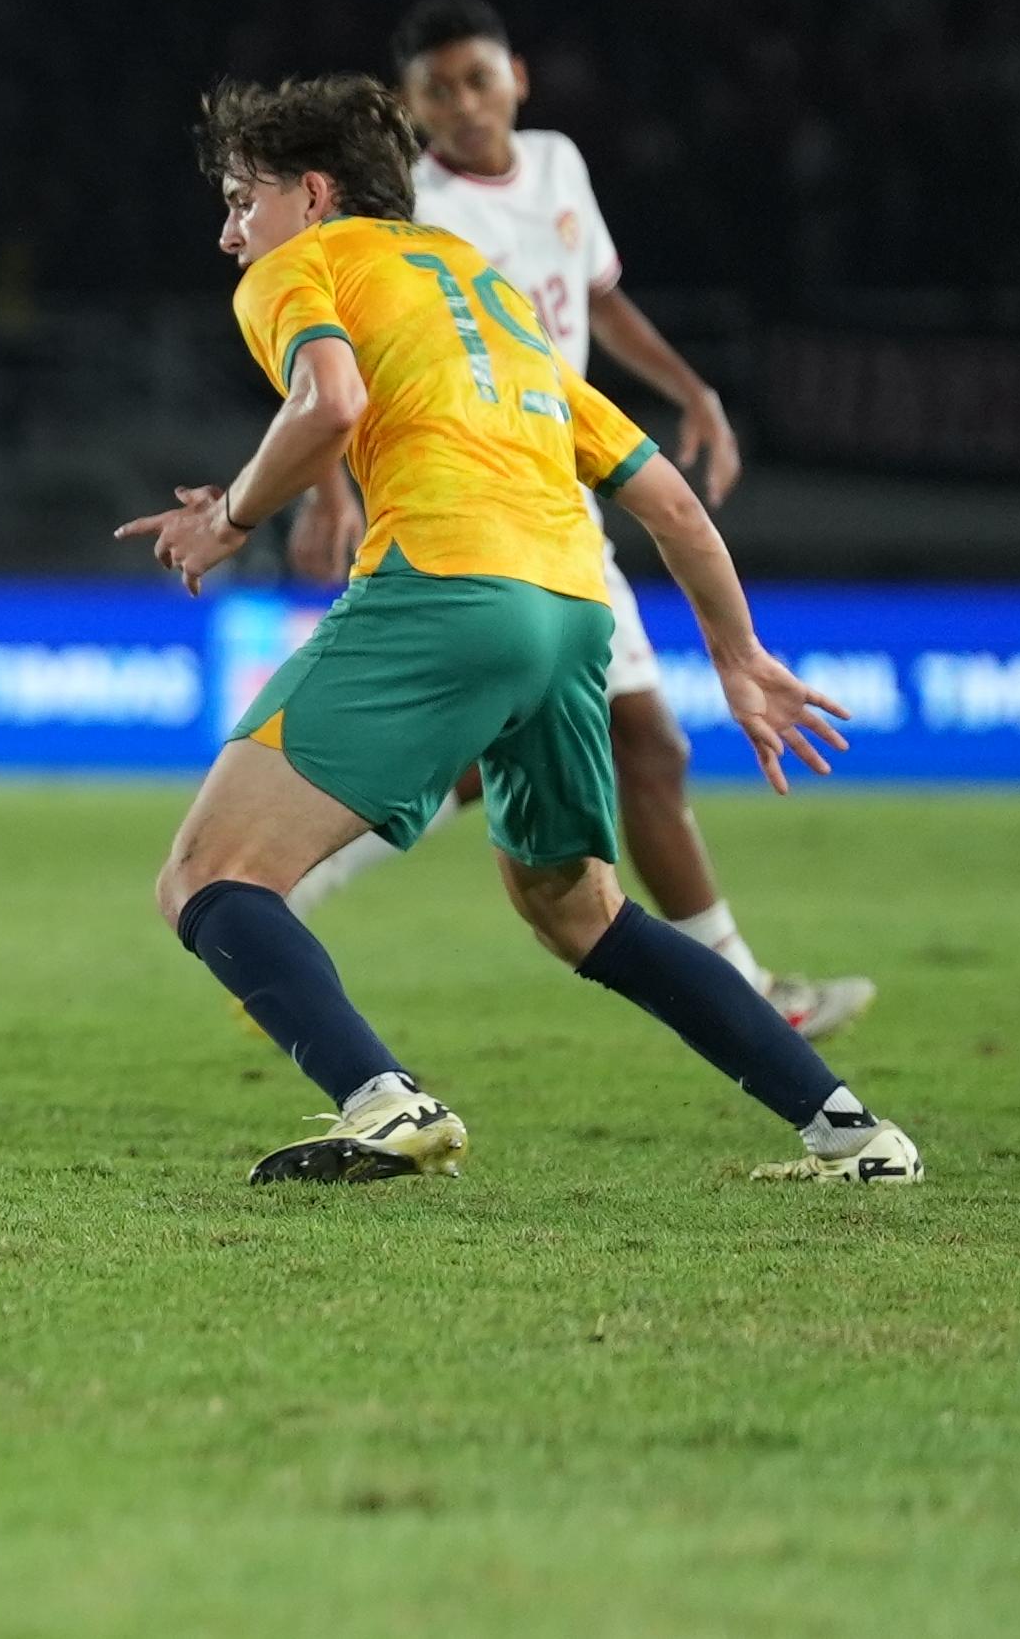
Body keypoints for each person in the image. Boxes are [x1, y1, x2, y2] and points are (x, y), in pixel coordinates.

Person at [120, 76, 919, 1185]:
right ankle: (851, 1132)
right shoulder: (486, 295)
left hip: (441, 589)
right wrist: (737, 658)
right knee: (576, 908)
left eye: (237, 199)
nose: (227, 232)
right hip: (569, 611)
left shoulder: (297, 267)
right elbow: (668, 503)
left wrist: (230, 520)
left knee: (204, 874)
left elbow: (329, 402)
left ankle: (381, 1100)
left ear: (309, 195)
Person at [290, 0, 877, 1041]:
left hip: (565, 475)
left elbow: (594, 298)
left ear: (516, 75)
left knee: (509, 746)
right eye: (437, 91)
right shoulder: (413, 211)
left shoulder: (556, 165)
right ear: (410, 109)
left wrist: (688, 391)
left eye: (477, 78)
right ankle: (747, 993)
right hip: (490, 487)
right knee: (640, 747)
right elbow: (349, 354)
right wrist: (331, 487)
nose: (463, 104)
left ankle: (296, 878)